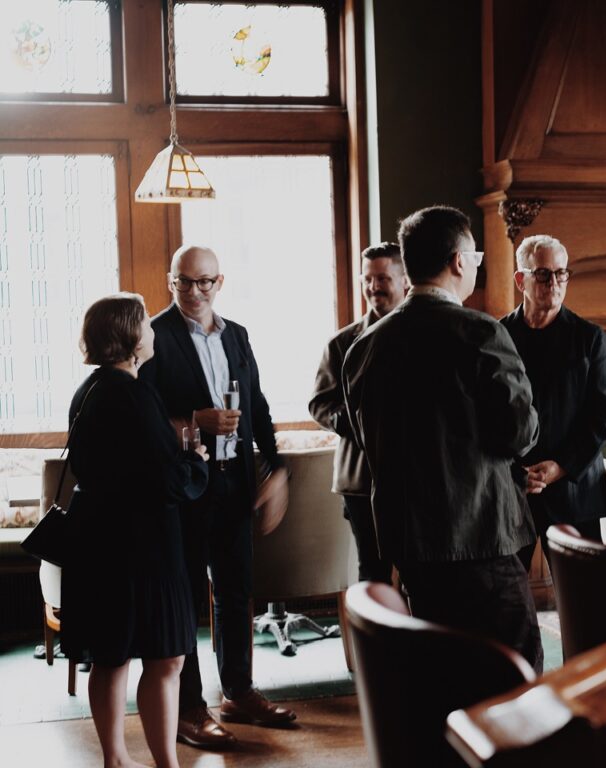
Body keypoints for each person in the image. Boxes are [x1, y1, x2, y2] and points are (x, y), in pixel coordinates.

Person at [342, 205, 544, 672]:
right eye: (474, 257)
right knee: (515, 677)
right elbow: (520, 432)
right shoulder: (479, 331)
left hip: (412, 545)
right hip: (481, 536)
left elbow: (364, 437)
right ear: (457, 261)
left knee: (444, 674)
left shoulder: (365, 347)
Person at [140, 244, 294, 750]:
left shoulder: (238, 335)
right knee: (184, 597)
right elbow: (141, 416)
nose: (194, 291)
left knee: (235, 591)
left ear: (219, 283)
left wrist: (276, 467)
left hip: (235, 481)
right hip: (184, 485)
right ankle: (188, 708)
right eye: (184, 282)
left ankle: (239, 692)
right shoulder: (153, 336)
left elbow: (257, 404)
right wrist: (193, 421)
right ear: (171, 282)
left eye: (204, 282)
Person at [62, 293, 209, 768]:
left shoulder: (89, 390)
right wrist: (194, 462)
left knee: (111, 655)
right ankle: (166, 762)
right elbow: (163, 482)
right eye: (145, 322)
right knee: (166, 658)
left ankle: (116, 759)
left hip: (99, 541)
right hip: (143, 547)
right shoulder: (133, 393)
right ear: (128, 335)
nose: (152, 329)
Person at [500, 235, 606, 569]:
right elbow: (485, 413)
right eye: (543, 274)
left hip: (574, 489)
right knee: (503, 591)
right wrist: (515, 472)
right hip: (513, 488)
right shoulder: (498, 336)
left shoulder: (589, 338)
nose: (553, 282)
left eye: (561, 273)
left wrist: (560, 466)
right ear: (520, 280)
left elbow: (602, 413)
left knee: (585, 594)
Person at [309, 242, 409, 582]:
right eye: (367, 279)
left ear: (405, 279)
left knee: (419, 572)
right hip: (360, 478)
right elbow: (319, 403)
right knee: (372, 570)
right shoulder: (342, 342)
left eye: (382, 278)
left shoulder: (420, 334)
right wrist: (358, 423)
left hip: (415, 477)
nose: (373, 287)